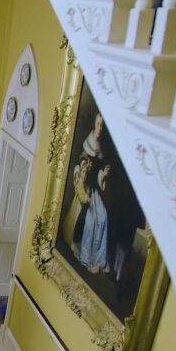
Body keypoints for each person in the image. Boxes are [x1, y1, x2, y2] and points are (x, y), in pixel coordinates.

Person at [78, 113, 110, 274]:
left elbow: (100, 170)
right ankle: (86, 257)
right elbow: (82, 160)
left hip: (97, 189)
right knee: (91, 223)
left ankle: (98, 259)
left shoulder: (103, 147)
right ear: (94, 124)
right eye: (98, 124)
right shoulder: (89, 142)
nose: (100, 128)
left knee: (103, 219)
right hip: (87, 187)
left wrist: (103, 174)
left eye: (102, 125)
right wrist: (85, 167)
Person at [61, 157, 92, 256]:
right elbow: (83, 198)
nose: (85, 175)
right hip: (78, 207)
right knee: (74, 223)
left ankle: (78, 241)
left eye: (86, 173)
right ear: (80, 173)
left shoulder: (87, 186)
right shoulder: (79, 184)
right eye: (83, 172)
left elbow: (87, 193)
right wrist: (88, 199)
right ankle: (72, 241)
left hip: (83, 209)